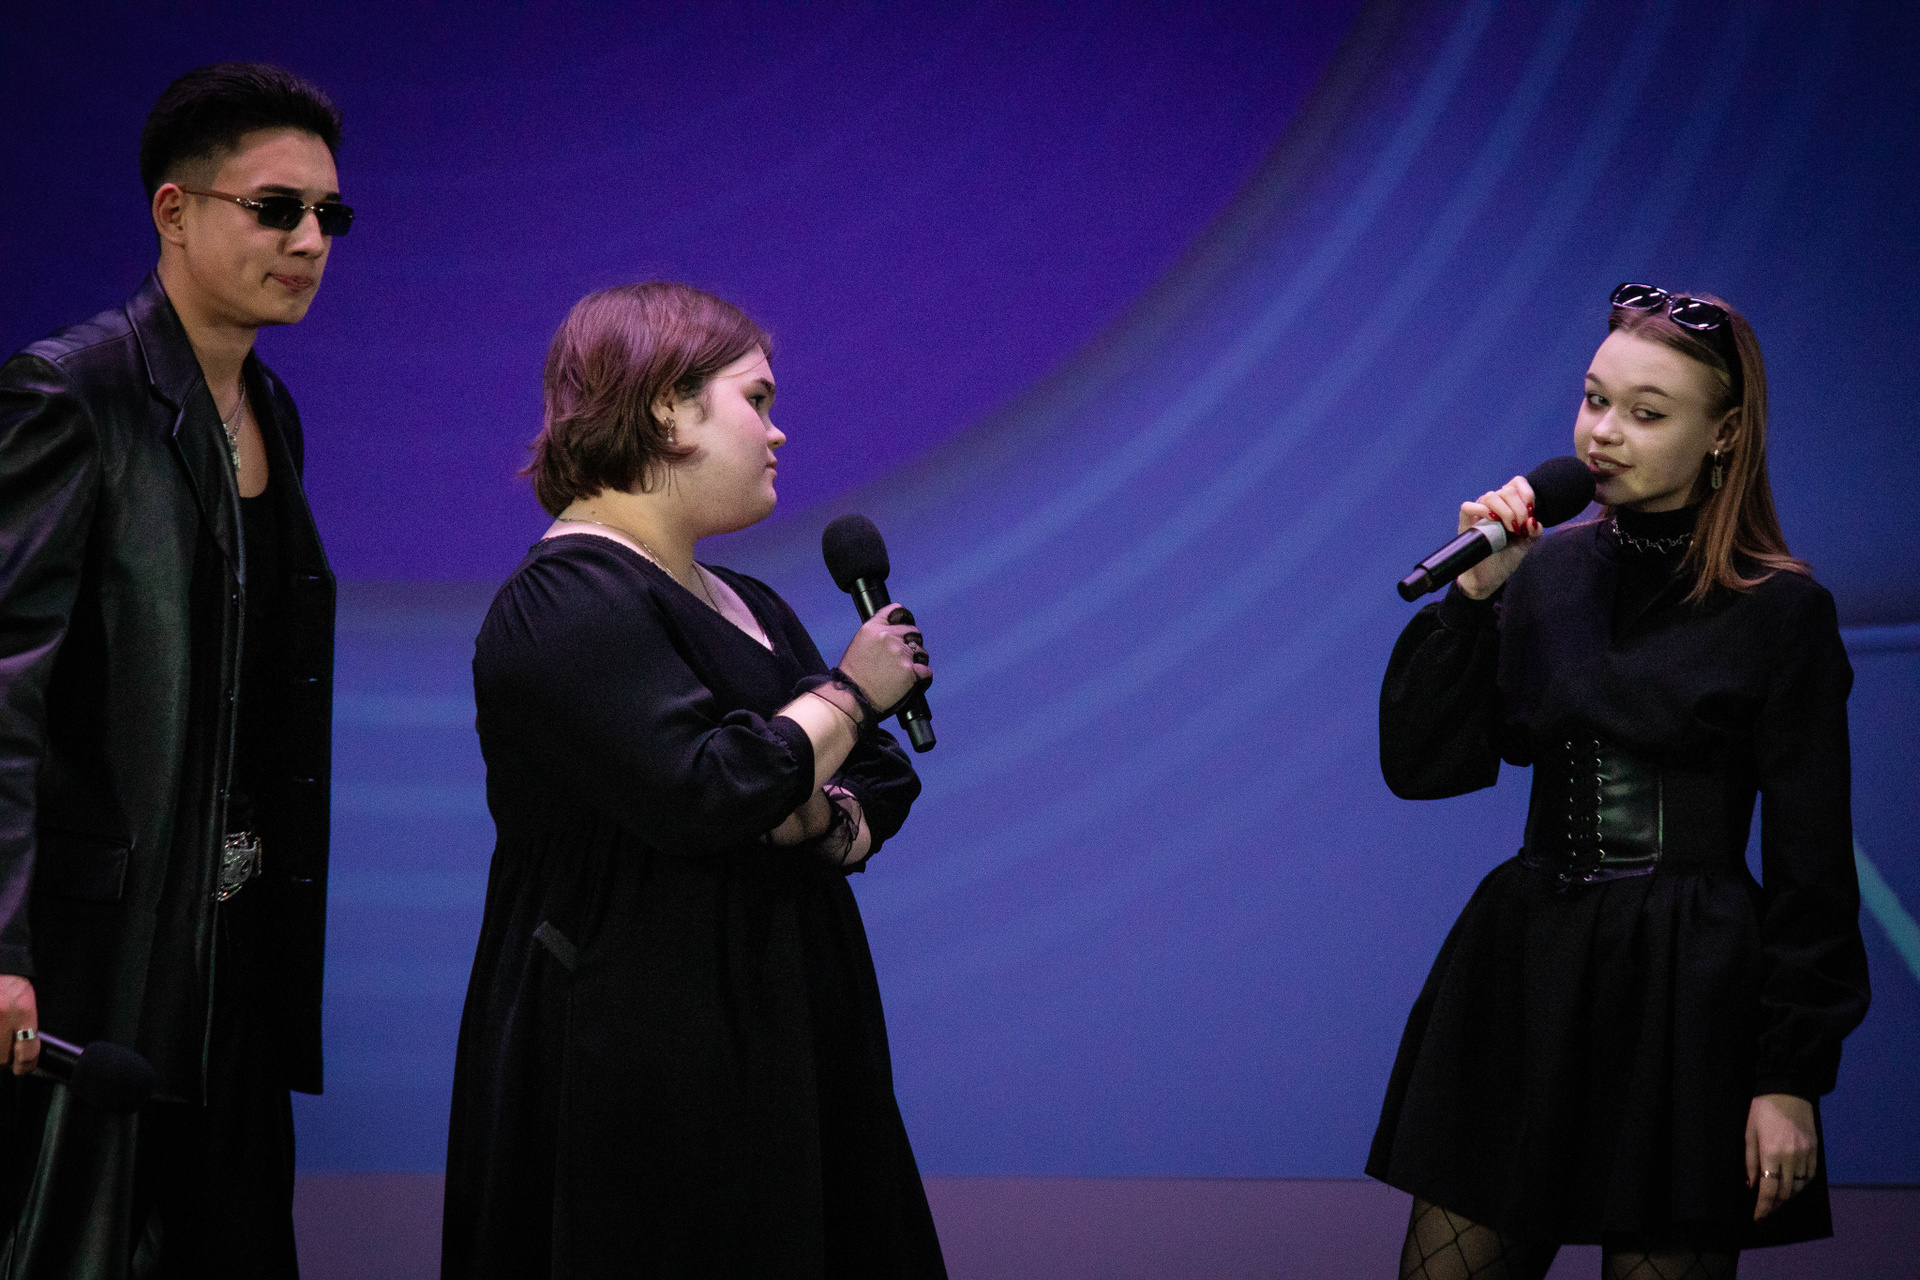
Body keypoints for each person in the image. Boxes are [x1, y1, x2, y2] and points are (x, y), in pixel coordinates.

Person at [442, 282, 948, 1278]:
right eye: (756, 400)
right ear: (667, 408)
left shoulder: (746, 599)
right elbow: (707, 789)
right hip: (646, 1059)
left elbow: (875, 773)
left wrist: (815, 811)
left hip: (788, 1033)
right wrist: (849, 695)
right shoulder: (562, 600)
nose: (778, 431)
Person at [1367, 284, 1870, 1278]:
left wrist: (1788, 1077)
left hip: (1685, 992)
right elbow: (1422, 767)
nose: (1603, 432)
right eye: (1595, 399)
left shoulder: (1780, 612)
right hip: (1528, 969)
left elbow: (1811, 867)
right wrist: (1471, 599)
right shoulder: (1542, 572)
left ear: (1725, 433)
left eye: (1646, 413)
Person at [0, 63, 348, 1276]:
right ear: (174, 210)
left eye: (329, 215)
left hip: (236, 952)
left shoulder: (273, 409)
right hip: (98, 960)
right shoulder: (72, 393)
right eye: (276, 208)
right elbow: (6, 690)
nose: (309, 242)